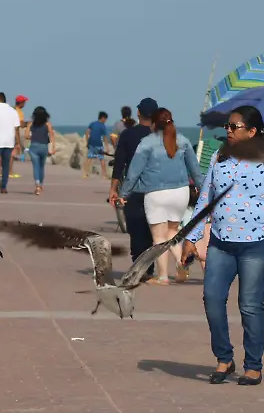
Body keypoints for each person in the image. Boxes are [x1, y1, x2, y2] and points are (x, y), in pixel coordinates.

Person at [184, 105, 264, 387]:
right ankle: (224, 358)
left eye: (234, 127)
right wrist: (191, 237)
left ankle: (253, 366)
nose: (228, 131)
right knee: (212, 299)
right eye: (227, 127)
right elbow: (205, 200)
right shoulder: (220, 158)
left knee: (250, 306)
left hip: (258, 244)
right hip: (221, 242)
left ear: (253, 132)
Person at [118, 108, 201, 285]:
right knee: (173, 231)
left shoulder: (146, 143)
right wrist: (202, 188)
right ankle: (181, 264)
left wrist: (123, 193)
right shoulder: (183, 140)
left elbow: (133, 172)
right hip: (181, 192)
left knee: (159, 237)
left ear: (154, 124)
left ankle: (163, 276)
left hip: (156, 193)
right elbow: (195, 169)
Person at [107, 98, 159, 277]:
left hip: (134, 188)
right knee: (153, 229)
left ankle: (139, 266)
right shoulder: (161, 135)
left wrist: (113, 188)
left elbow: (119, 164)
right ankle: (149, 267)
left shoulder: (128, 135)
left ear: (138, 113)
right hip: (157, 188)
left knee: (135, 229)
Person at [26, 106, 56, 195]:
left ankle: (37, 185)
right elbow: (52, 136)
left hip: (34, 147)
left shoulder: (31, 124)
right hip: (44, 147)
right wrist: (53, 148)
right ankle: (41, 184)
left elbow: (26, 135)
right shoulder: (48, 124)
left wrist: (33, 136)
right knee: (41, 167)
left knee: (35, 166)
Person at [83, 112, 110, 179]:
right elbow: (105, 137)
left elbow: (87, 132)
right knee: (102, 159)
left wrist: (87, 142)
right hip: (98, 144)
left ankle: (85, 173)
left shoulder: (92, 124)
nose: (105, 121)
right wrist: (107, 147)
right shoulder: (102, 126)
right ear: (103, 118)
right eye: (105, 119)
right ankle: (104, 175)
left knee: (89, 158)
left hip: (91, 143)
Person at [14, 95, 31, 162]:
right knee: (23, 145)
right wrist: (28, 124)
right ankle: (22, 158)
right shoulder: (19, 112)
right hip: (17, 130)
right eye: (24, 102)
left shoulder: (13, 109)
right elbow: (20, 124)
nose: (25, 104)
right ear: (21, 103)